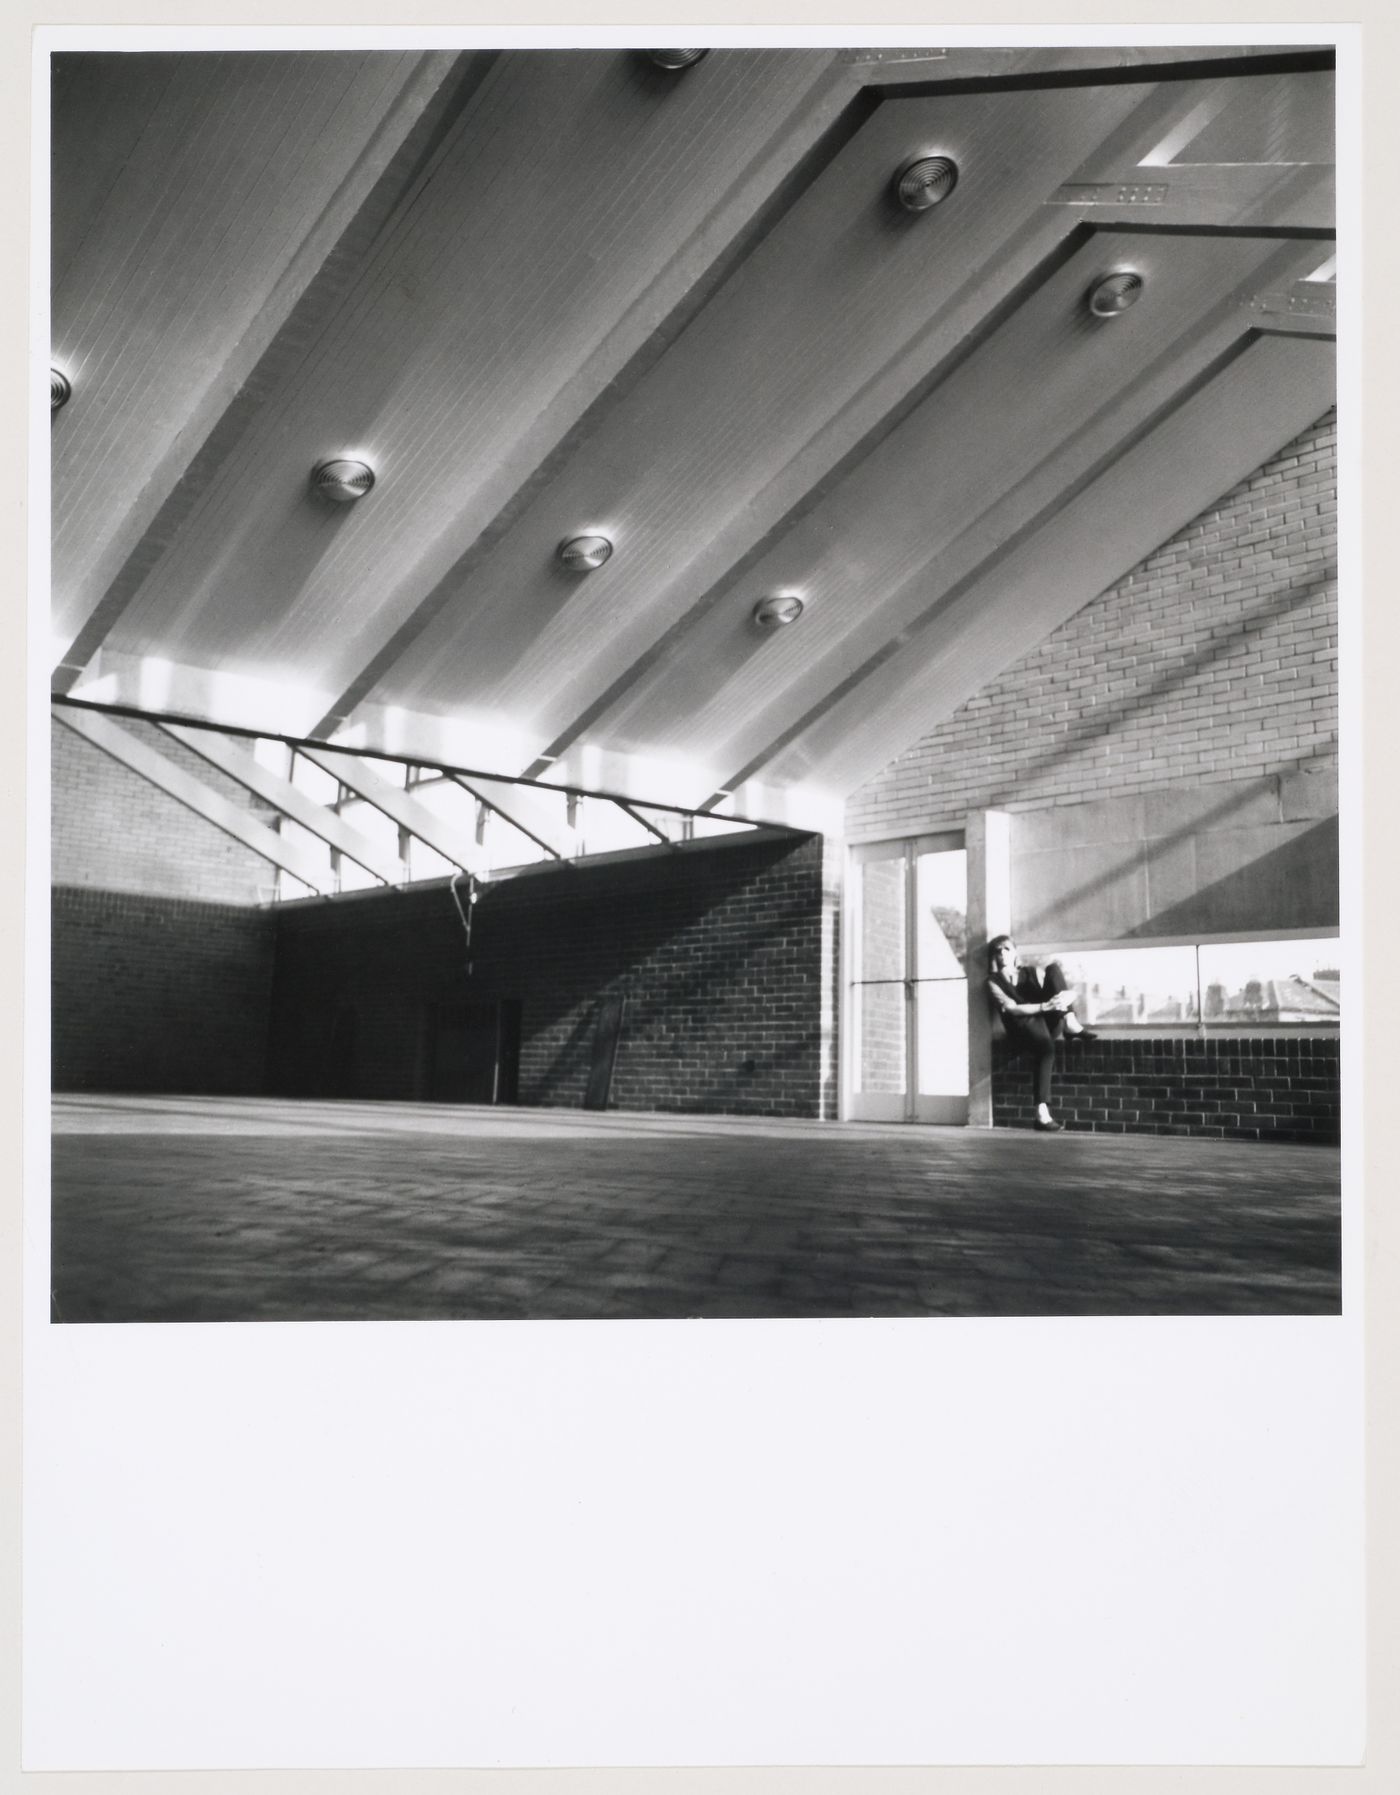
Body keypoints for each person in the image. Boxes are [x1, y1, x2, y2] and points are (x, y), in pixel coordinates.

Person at [985, 935, 1097, 1132]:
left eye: (1006, 949)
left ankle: (1070, 1021)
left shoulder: (1031, 972)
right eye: (998, 950)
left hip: (1045, 1023)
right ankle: (1041, 1113)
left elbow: (1059, 991)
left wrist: (1071, 995)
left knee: (1053, 968)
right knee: (1046, 1048)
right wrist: (1045, 1006)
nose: (1002, 953)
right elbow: (1013, 1010)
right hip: (1021, 1028)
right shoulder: (993, 981)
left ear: (1015, 953)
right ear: (994, 956)